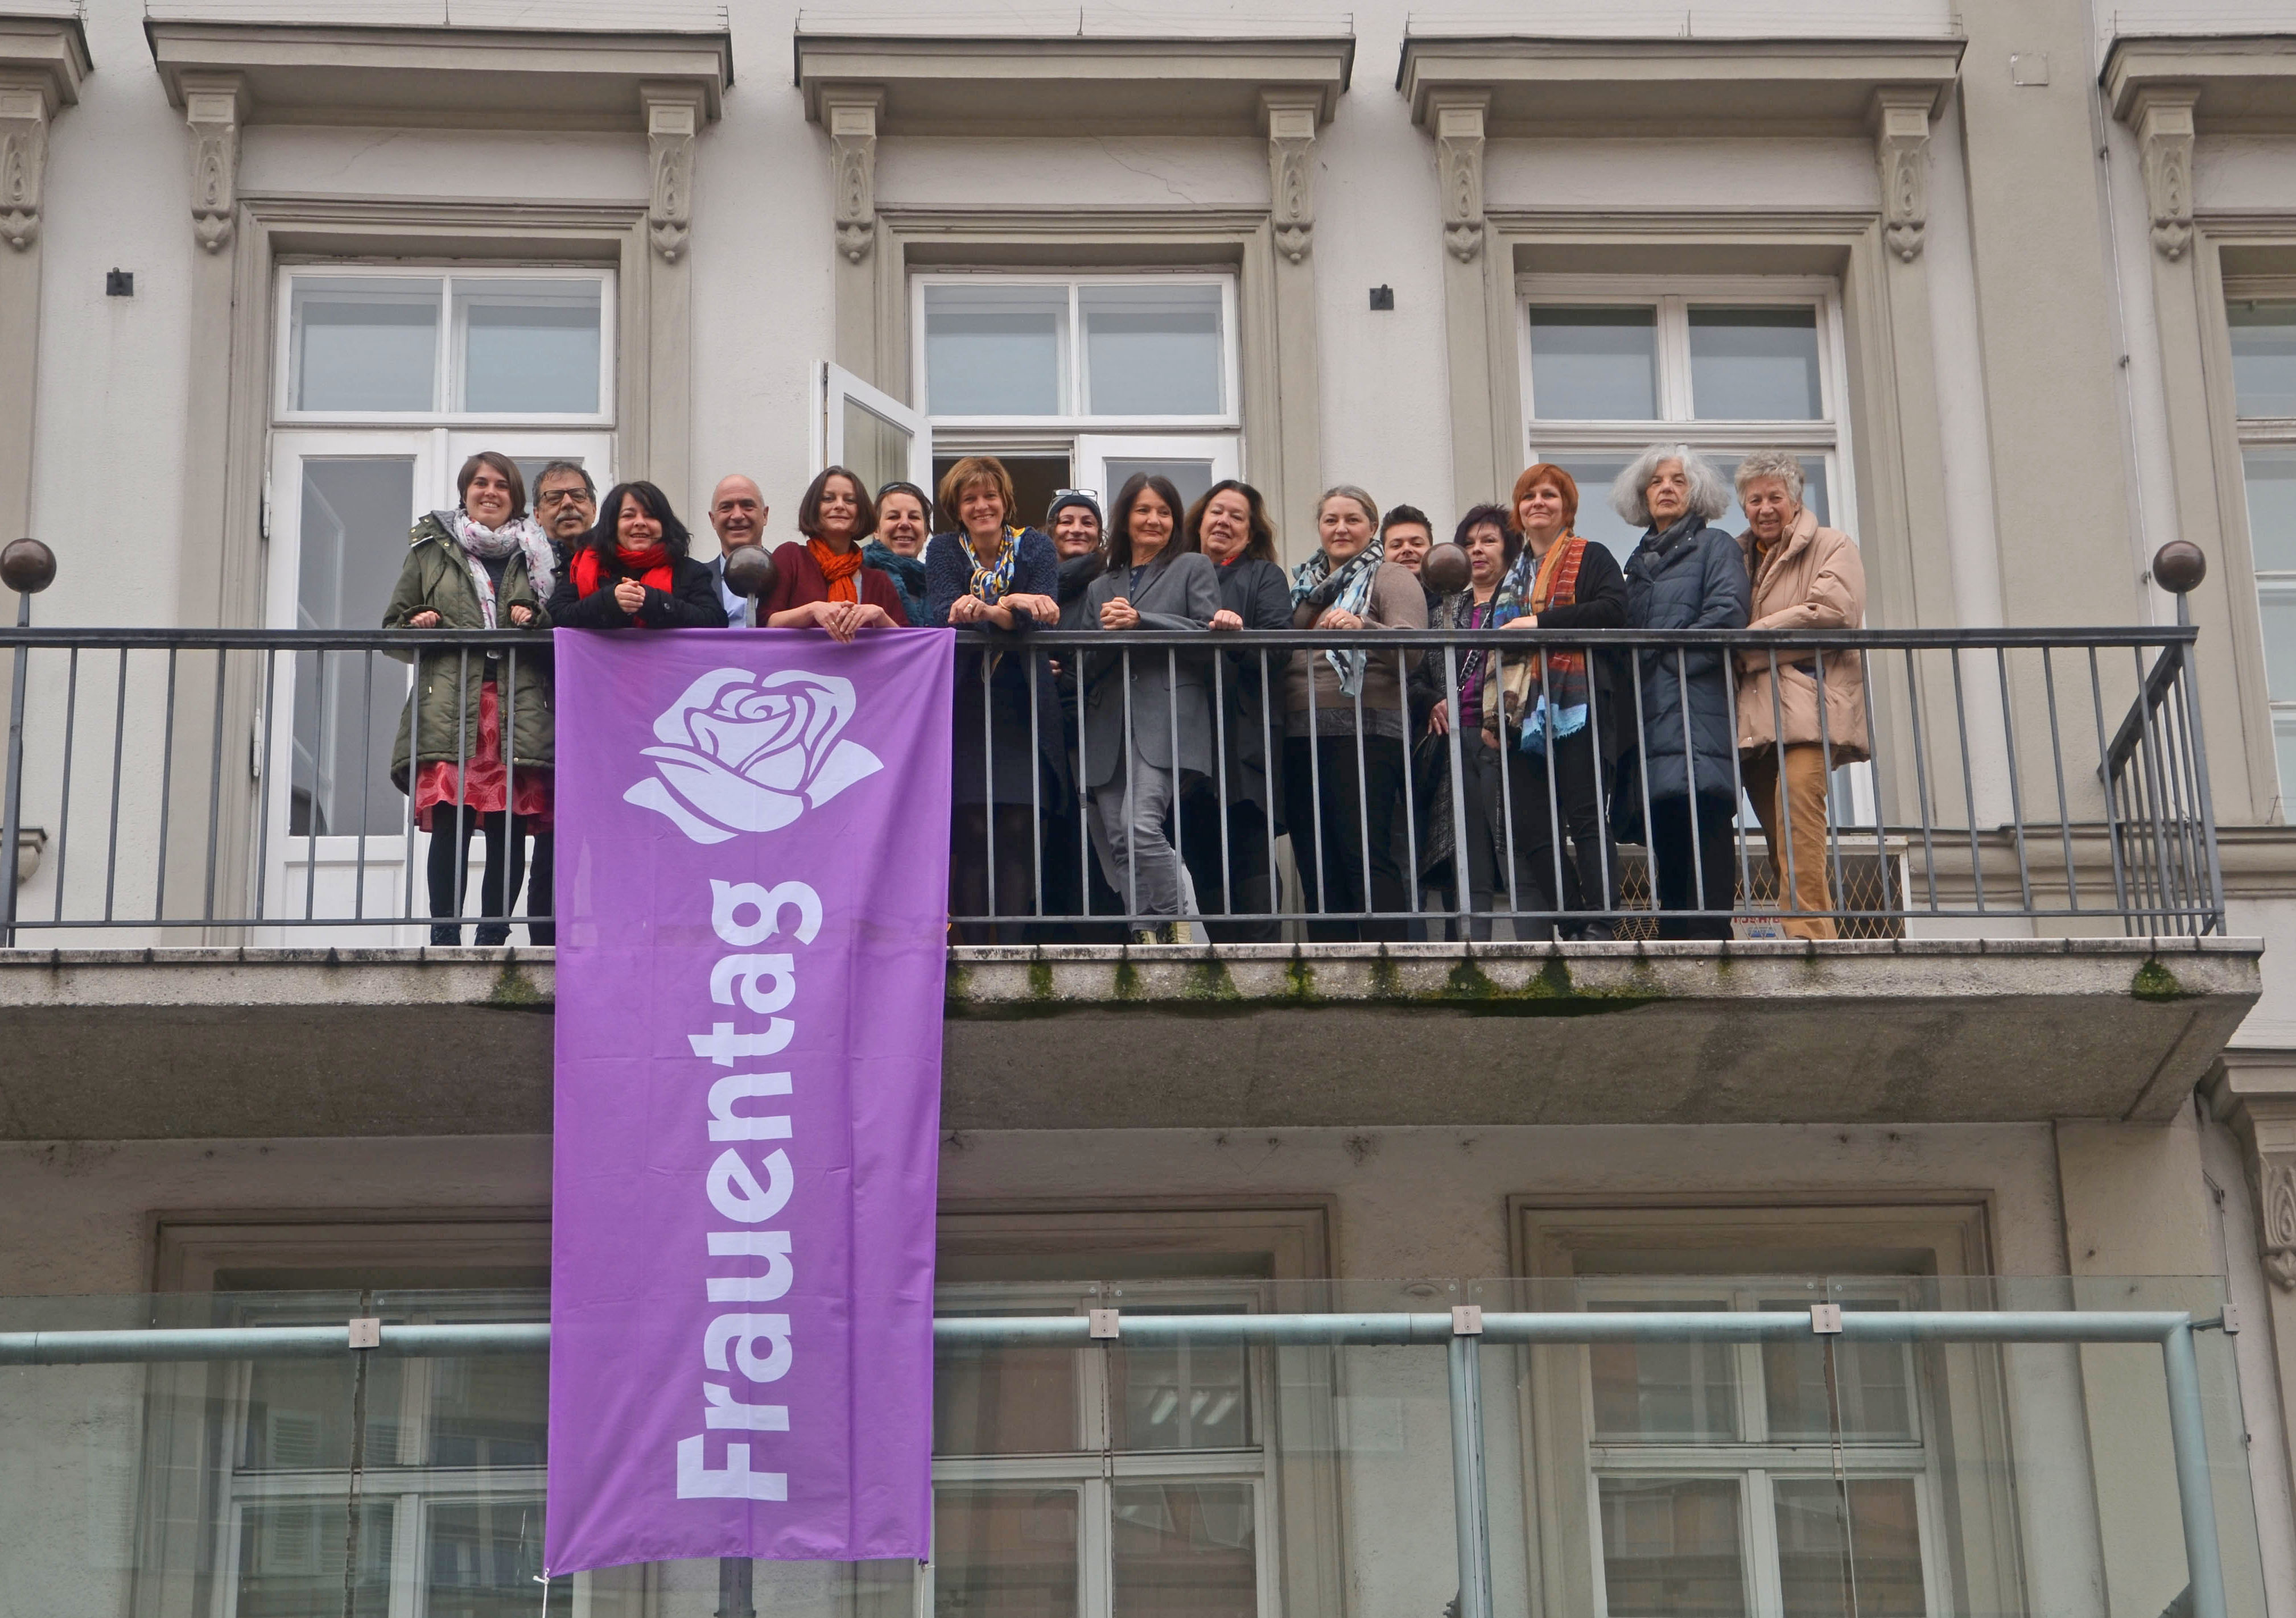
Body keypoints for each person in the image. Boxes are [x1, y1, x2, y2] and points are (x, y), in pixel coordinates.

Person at [384, 451, 555, 946]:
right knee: (451, 824)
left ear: (516, 498)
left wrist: (536, 622)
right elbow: (391, 631)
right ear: (465, 492)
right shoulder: (430, 552)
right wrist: (418, 622)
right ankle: (444, 933)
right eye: (480, 483)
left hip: (518, 704)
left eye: (502, 485)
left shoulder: (539, 553)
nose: (490, 492)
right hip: (453, 703)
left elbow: (561, 624)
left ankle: (493, 934)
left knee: (509, 826)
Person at [925, 456, 1067, 942]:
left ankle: (1008, 952)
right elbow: (943, 611)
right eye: (970, 499)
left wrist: (994, 608)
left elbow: (1043, 613)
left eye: (989, 496)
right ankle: (972, 952)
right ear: (956, 508)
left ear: (1006, 501)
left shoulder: (1036, 546)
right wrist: (1013, 604)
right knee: (972, 830)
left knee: (1017, 829)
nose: (981, 505)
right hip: (966, 705)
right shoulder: (943, 548)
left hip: (1023, 709)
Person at [1614, 444, 1749, 939]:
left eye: (1678, 481)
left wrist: (1660, 661)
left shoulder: (1715, 546)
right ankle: (1675, 942)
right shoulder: (1635, 564)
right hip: (1650, 715)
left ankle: (1713, 942)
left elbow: (1726, 615)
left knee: (1705, 819)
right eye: (1656, 482)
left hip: (1697, 711)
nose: (1666, 489)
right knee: (1666, 828)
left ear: (1697, 493)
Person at [1078, 474, 1221, 942]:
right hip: (1108, 726)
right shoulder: (1101, 585)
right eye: (1143, 510)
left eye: (1163, 511)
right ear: (1126, 519)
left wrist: (1142, 621)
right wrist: (1099, 641)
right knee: (1119, 842)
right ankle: (1146, 936)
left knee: (1140, 828)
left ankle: (1180, 923)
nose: (1153, 520)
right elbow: (1086, 660)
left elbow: (1205, 635)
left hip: (1166, 718)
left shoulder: (1192, 566)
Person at [1733, 451, 1868, 940]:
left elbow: (1832, 613)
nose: (1765, 508)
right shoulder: (1736, 555)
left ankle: (1812, 935)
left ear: (1795, 500)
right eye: (1754, 500)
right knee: (1778, 834)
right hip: (1753, 717)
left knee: (1799, 815)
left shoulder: (1832, 545)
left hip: (1810, 708)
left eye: (1774, 497)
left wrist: (1749, 642)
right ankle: (1803, 927)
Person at [1284, 485, 1428, 940]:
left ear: (1371, 528)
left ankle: (1388, 965)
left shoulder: (1389, 576)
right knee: (1315, 863)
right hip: (1300, 735)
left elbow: (1413, 654)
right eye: (1331, 520)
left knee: (1364, 855)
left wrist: (1361, 625)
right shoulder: (1304, 587)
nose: (1340, 529)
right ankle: (1331, 973)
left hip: (1366, 733)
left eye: (1352, 520)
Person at [1495, 463, 1629, 940]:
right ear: (1518, 510)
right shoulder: (1512, 574)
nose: (1538, 503)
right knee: (1532, 827)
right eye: (1529, 496)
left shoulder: (1590, 556)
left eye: (1549, 495)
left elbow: (1614, 609)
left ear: (1567, 508)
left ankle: (1603, 919)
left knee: (1585, 814)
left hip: (1579, 703)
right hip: (1521, 710)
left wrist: (1539, 624)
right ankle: (1573, 918)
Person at [1410, 505, 1543, 940]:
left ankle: (1535, 947)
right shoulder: (1443, 612)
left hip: (1509, 739)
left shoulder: (1523, 603)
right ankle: (1472, 946)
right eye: (1468, 543)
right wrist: (1432, 700)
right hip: (1455, 741)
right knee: (1467, 854)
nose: (1477, 550)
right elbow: (1413, 678)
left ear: (1509, 546)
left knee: (1515, 845)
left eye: (1488, 540)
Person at [1184, 479, 1292, 940]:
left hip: (1241, 736)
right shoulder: (1177, 573)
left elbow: (1278, 649)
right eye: (1216, 512)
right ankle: (1228, 962)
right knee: (1201, 849)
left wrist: (1238, 635)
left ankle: (1261, 962)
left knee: (1247, 846)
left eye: (1236, 516)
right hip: (1187, 736)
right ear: (1199, 521)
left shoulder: (1262, 576)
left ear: (1250, 533)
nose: (1224, 522)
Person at [524, 460, 596, 946]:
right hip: (539, 716)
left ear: (593, 504)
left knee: (616, 841)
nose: (567, 505)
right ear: (537, 512)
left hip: (608, 719)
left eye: (577, 495)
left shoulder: (614, 558)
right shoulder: (521, 562)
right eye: (554, 498)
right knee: (551, 841)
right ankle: (542, 948)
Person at [547, 480, 730, 629]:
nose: (640, 523)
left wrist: (651, 601)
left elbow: (714, 621)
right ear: (613, 525)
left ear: (665, 525)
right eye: (629, 516)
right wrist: (610, 600)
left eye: (650, 516)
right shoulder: (583, 565)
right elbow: (556, 615)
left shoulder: (690, 571)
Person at [760, 467, 907, 639]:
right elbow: (765, 623)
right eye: (828, 499)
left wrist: (880, 617)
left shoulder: (879, 582)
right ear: (814, 508)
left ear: (861, 513)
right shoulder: (791, 557)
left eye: (850, 500)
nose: (839, 506)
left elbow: (909, 644)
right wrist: (811, 610)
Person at [864, 480, 932, 628]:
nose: (904, 524)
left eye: (914, 517)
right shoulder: (858, 575)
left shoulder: (939, 586)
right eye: (893, 517)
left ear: (926, 533)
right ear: (876, 530)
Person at [704, 475, 769, 625]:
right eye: (726, 507)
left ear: (765, 515)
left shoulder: (787, 575)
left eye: (747, 505)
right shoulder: (696, 580)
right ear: (713, 520)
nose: (738, 516)